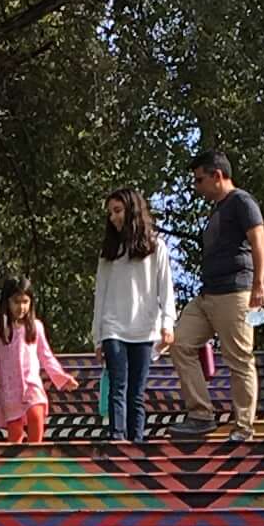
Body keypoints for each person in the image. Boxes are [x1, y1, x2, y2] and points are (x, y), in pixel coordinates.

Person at [170, 145, 264, 439]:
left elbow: (259, 238)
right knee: (181, 343)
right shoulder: (219, 209)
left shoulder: (241, 201)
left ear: (217, 175)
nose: (196, 186)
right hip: (208, 294)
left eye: (199, 180)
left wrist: (259, 284)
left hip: (235, 292)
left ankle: (243, 426)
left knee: (239, 358)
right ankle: (201, 414)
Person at [89, 186, 175, 444]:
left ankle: (137, 441)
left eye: (118, 211)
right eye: (110, 213)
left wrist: (168, 323)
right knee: (118, 385)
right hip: (113, 328)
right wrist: (97, 338)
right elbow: (100, 296)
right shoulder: (108, 254)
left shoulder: (156, 248)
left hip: (144, 329)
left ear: (132, 210)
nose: (114, 217)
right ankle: (117, 437)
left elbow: (165, 289)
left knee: (136, 392)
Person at [0, 276, 70, 444]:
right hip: (9, 387)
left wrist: (61, 377)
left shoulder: (35, 326)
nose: (21, 307)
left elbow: (46, 355)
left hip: (31, 384)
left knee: (36, 415)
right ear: (6, 302)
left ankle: (35, 455)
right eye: (16, 302)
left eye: (25, 302)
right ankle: (16, 465)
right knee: (14, 433)